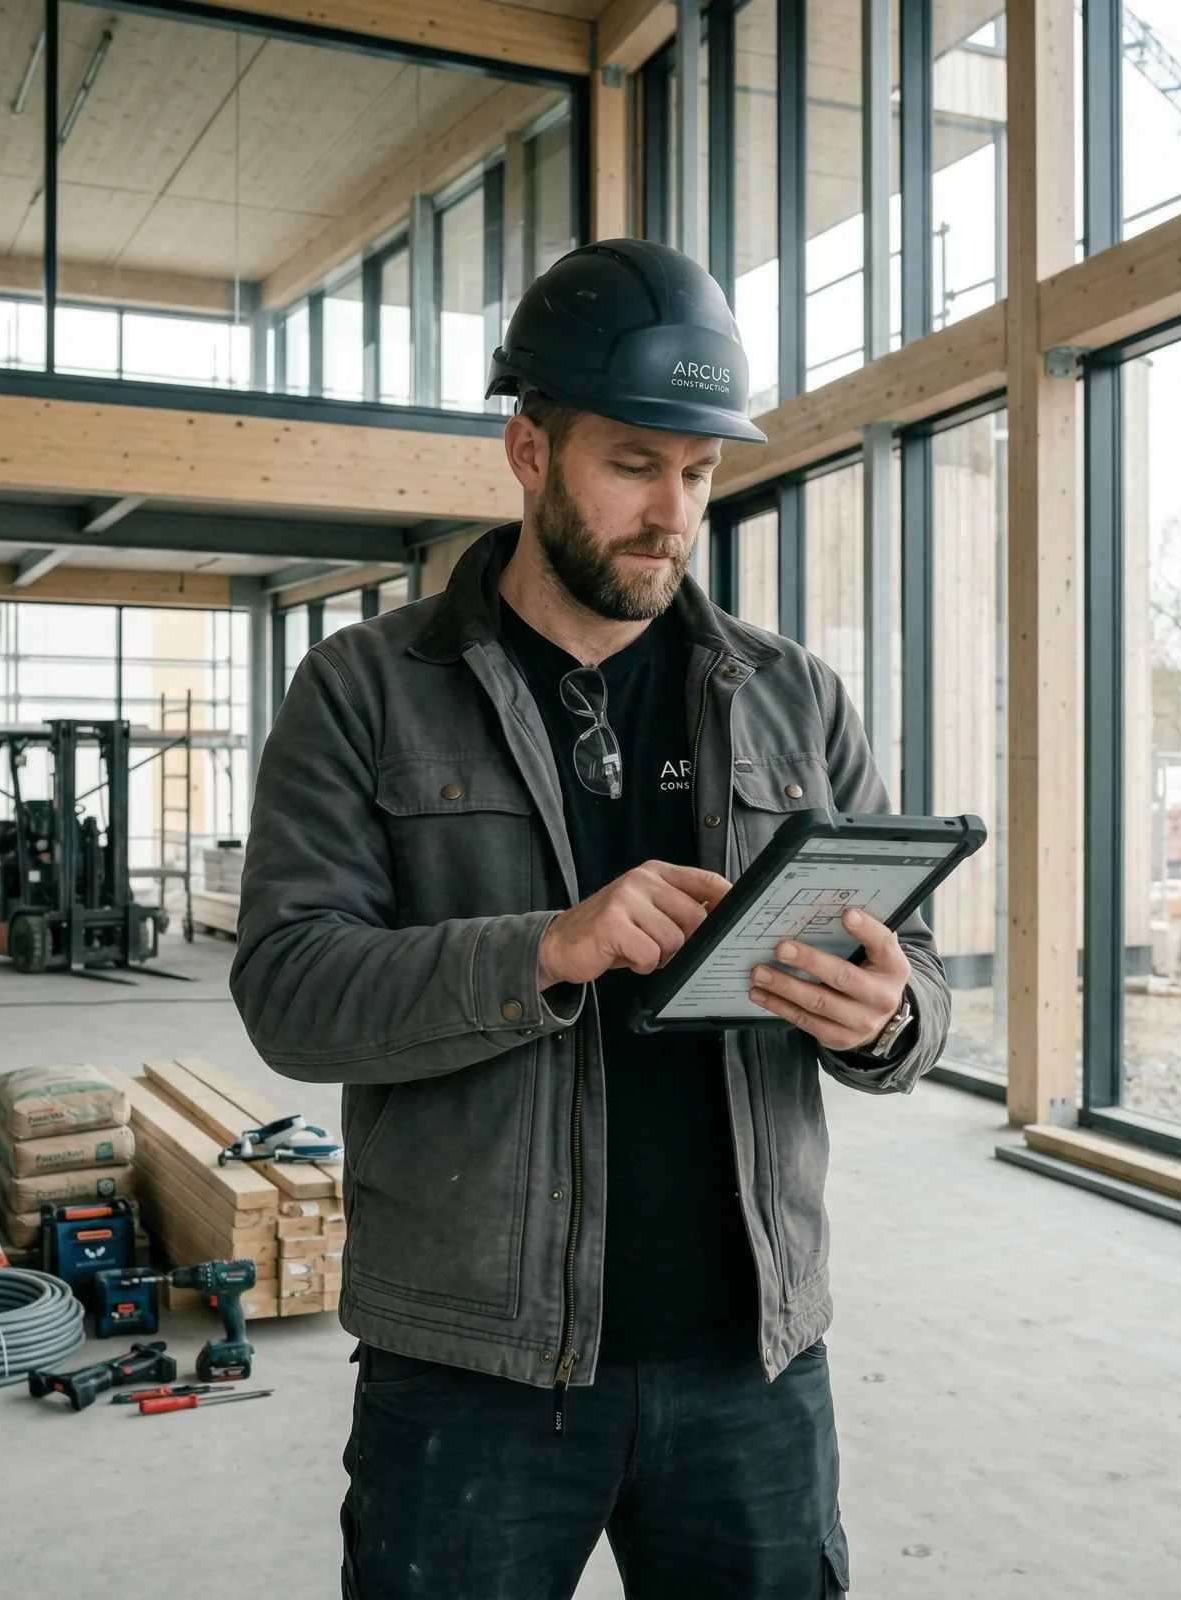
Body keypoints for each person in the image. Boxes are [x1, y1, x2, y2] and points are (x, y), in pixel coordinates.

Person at [232, 238, 949, 1600]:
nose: (671, 513)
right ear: (528, 448)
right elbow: (288, 992)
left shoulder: (794, 697)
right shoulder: (366, 690)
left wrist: (891, 1015)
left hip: (754, 1362)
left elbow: (904, 964)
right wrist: (546, 948)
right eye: (633, 463)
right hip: (475, 1371)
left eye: (699, 473)